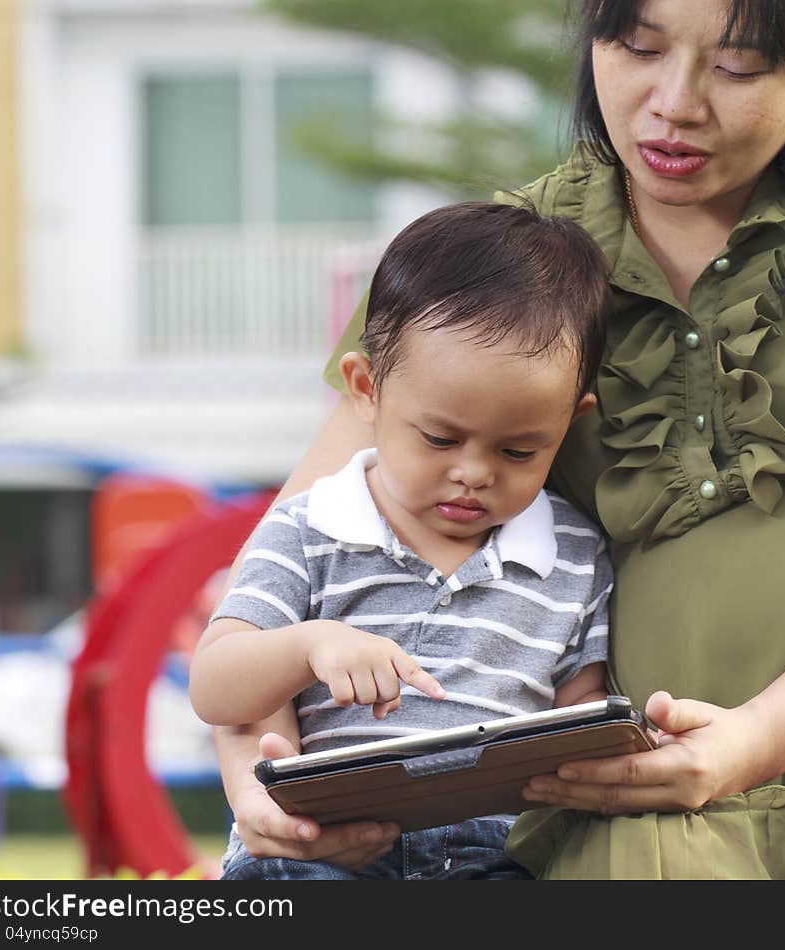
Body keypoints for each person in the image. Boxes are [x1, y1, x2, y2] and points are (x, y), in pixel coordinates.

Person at [210, 0, 785, 879]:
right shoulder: (488, 273)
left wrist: (754, 741)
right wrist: (256, 772)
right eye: (636, 47)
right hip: (597, 827)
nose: (676, 104)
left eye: (737, 66)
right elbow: (293, 570)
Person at [189, 201, 614, 879]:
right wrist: (310, 645)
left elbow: (578, 711)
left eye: (519, 450)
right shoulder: (310, 527)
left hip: (493, 851)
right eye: (440, 438)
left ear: (570, 423)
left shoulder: (572, 554)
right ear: (366, 390)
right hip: (323, 845)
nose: (473, 473)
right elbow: (214, 686)